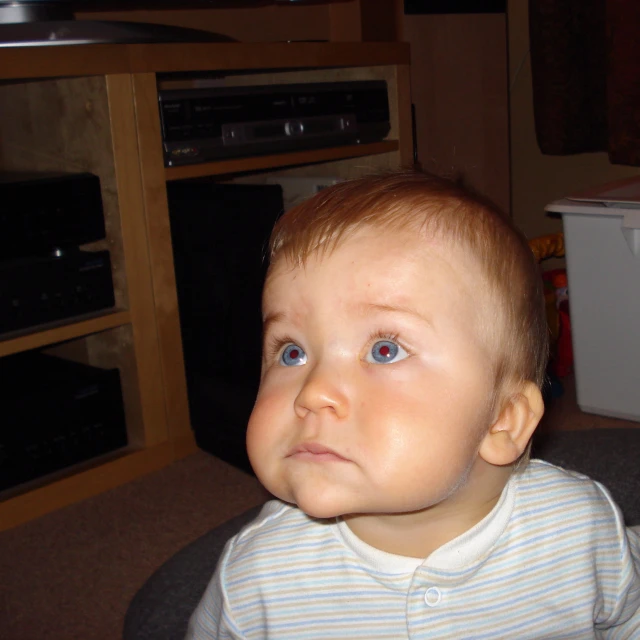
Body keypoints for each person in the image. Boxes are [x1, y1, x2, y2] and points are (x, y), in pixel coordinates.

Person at [186, 170, 640, 639]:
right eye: (291, 352)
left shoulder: (577, 531)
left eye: (385, 349)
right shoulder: (257, 581)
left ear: (502, 418)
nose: (312, 392)